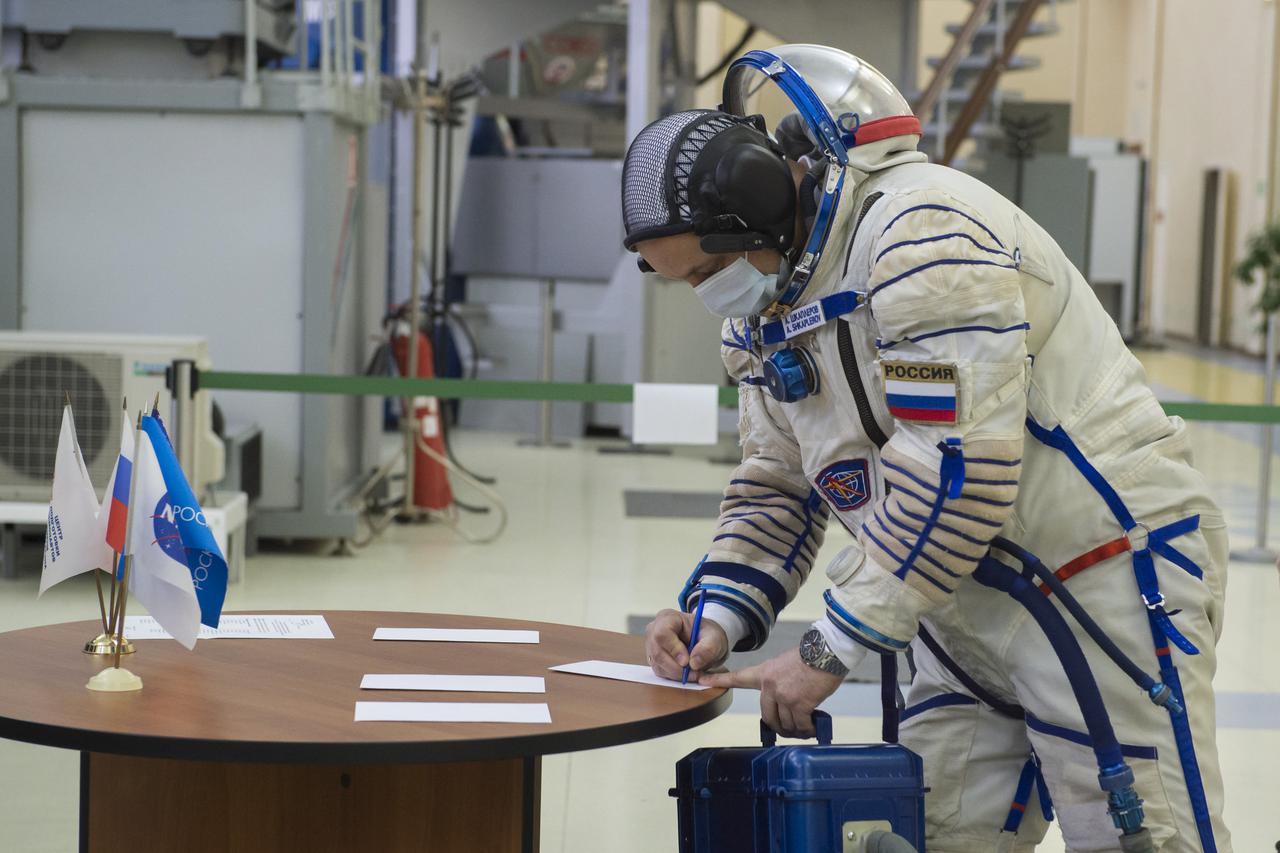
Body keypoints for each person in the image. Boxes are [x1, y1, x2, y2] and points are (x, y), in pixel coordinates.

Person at [626, 45, 1229, 852]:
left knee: (1140, 836)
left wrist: (826, 648)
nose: (710, 295)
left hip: (1099, 575)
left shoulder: (923, 237)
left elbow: (957, 473)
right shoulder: (763, 307)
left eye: (710, 268)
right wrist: (720, 615)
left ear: (764, 211)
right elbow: (778, 482)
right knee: (927, 835)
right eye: (685, 280)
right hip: (947, 597)